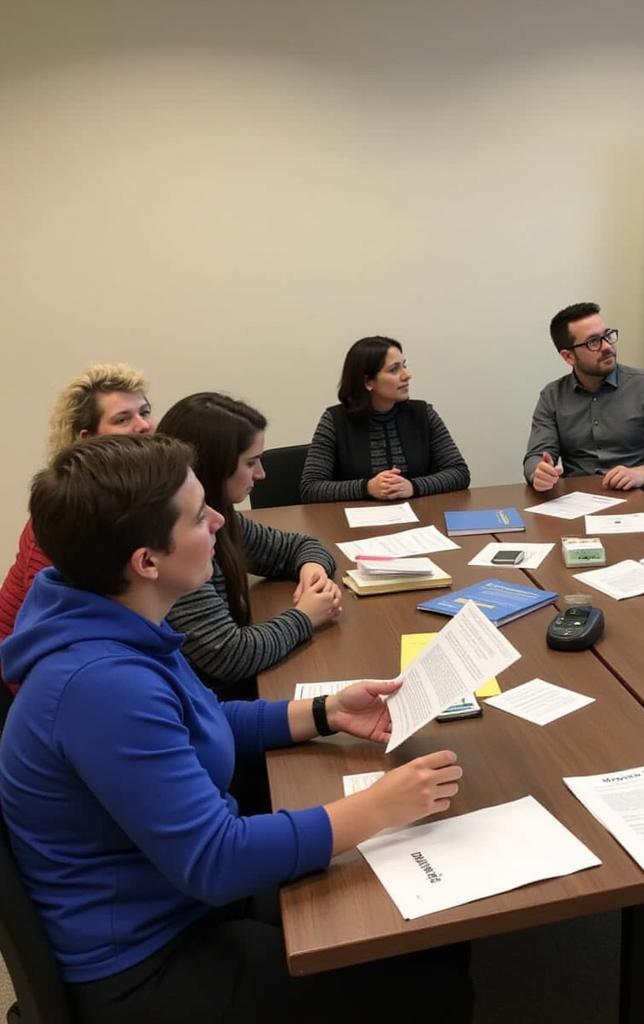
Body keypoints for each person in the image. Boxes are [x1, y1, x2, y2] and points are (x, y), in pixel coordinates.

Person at [0, 433, 471, 1024]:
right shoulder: (101, 685)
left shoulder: (113, 616)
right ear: (146, 561)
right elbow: (216, 859)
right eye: (200, 516)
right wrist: (381, 807)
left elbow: (197, 721)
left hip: (175, 898)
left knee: (434, 930)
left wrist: (326, 712)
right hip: (148, 961)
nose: (221, 520)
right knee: (435, 988)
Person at [158, 393, 342, 702]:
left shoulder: (219, 516)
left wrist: (312, 569)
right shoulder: (178, 545)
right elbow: (230, 655)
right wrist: (306, 616)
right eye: (251, 463)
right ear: (214, 466)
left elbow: (298, 546)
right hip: (218, 706)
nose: (261, 474)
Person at [0, 362, 153, 688]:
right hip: (24, 673)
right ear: (87, 438)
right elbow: (41, 630)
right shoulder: (68, 512)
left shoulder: (132, 495)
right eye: (123, 419)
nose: (143, 426)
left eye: (145, 412)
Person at [523, 302, 644, 515]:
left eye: (607, 335)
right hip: (580, 503)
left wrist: (643, 472)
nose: (607, 347)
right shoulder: (552, 395)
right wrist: (538, 473)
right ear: (568, 357)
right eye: (593, 342)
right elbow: (536, 457)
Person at [300, 336, 470, 502]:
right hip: (355, 525)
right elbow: (311, 488)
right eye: (394, 369)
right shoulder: (335, 420)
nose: (407, 375)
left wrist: (413, 486)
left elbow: (459, 472)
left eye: (404, 366)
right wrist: (367, 487)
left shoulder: (423, 414)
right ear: (368, 381)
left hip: (419, 521)